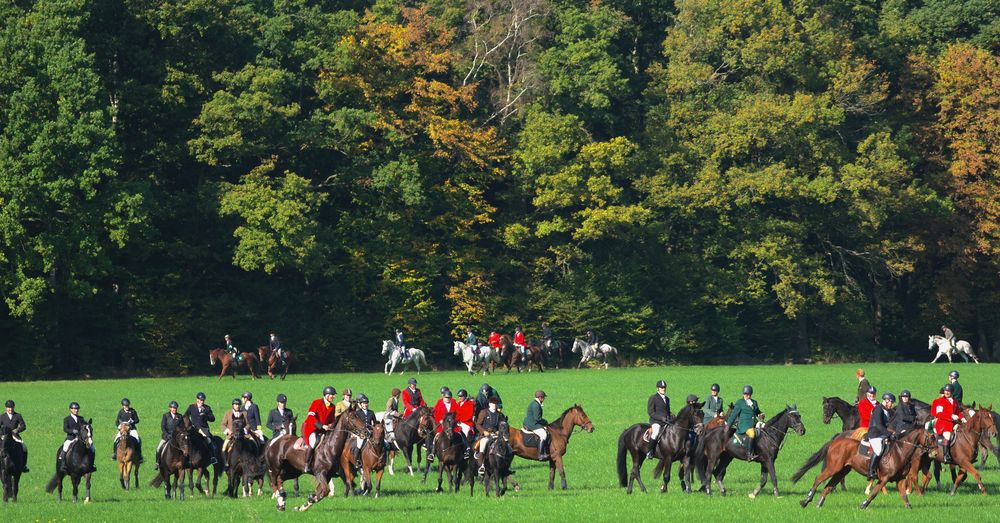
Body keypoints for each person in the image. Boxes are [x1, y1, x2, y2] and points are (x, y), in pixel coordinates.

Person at [302, 386, 338, 473]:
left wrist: (331, 425)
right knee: (313, 442)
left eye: (333, 395)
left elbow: (332, 420)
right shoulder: (316, 402)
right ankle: (306, 464)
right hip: (311, 428)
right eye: (332, 395)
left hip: (323, 429)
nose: (333, 397)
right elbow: (311, 417)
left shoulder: (332, 407)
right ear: (326, 395)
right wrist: (322, 426)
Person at [726, 385, 763, 461]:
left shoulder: (754, 402)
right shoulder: (740, 403)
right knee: (752, 433)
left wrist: (761, 414)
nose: (746, 395)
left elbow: (757, 412)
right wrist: (728, 425)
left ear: (750, 394)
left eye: (747, 394)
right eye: (745, 394)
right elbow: (733, 415)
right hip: (744, 425)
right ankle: (749, 454)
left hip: (753, 423)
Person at [931, 383, 965, 463]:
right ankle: (946, 456)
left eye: (948, 391)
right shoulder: (940, 401)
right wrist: (951, 416)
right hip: (942, 423)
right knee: (948, 435)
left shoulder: (955, 401)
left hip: (952, 423)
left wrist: (962, 418)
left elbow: (958, 412)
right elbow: (939, 414)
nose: (946, 392)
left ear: (952, 392)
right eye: (946, 391)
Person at [59, 402, 96, 473]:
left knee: (93, 448)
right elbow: (65, 429)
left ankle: (91, 465)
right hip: (71, 438)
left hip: (80, 439)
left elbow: (85, 427)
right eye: (74, 409)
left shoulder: (81, 418)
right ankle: (63, 464)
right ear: (71, 409)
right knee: (65, 446)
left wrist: (87, 425)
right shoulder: (67, 419)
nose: (76, 410)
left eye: (77, 409)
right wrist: (72, 431)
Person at [474, 396, 506, 475]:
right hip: (485, 435)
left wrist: (499, 431)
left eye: (495, 404)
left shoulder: (500, 414)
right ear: (489, 404)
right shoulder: (483, 412)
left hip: (495, 435)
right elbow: (478, 424)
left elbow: (502, 425)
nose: (494, 405)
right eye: (492, 403)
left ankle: (505, 464)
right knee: (483, 444)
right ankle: (481, 466)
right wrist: (484, 431)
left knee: (506, 445)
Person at [185, 392, 219, 464]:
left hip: (204, 429)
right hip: (193, 428)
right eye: (200, 400)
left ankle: (212, 457)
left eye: (203, 400)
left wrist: (206, 415)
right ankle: (185, 457)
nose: (202, 402)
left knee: (209, 440)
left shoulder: (207, 408)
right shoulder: (191, 407)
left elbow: (213, 419)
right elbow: (185, 416)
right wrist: (189, 425)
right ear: (197, 399)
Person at [865, 392, 893, 479]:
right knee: (878, 450)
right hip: (875, 434)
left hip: (881, 434)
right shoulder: (878, 409)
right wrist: (889, 434)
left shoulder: (887, 410)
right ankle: (871, 471)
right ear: (887, 401)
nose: (891, 405)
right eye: (891, 402)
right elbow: (879, 425)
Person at [646, 379, 672, 459]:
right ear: (657, 388)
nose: (663, 389)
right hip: (656, 421)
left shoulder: (667, 399)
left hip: (665, 421)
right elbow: (651, 412)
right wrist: (661, 418)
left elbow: (667, 411)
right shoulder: (653, 398)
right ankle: (649, 452)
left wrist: (670, 416)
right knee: (656, 432)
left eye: (664, 387)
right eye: (661, 387)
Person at [154, 401, 182, 471]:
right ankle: (157, 462)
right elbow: (163, 427)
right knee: (159, 448)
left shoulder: (180, 416)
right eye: (173, 408)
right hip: (167, 436)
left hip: (177, 437)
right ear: (170, 408)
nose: (174, 409)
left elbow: (182, 427)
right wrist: (167, 435)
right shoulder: (165, 415)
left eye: (175, 408)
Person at [1, 400, 28, 472]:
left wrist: (16, 430)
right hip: (4, 436)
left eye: (11, 407)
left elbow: (23, 426)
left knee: (24, 447)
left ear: (14, 407)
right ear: (6, 408)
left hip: (14, 436)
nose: (10, 409)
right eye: (8, 408)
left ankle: (24, 465)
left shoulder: (18, 415)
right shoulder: (2, 417)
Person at [112, 398, 142, 462]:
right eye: (125, 406)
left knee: (137, 439)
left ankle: (139, 455)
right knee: (116, 440)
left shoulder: (133, 411)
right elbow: (117, 421)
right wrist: (119, 427)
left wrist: (132, 421)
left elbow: (137, 420)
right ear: (123, 406)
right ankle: (114, 454)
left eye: (128, 405)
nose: (127, 407)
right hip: (123, 429)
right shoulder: (121, 412)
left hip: (131, 429)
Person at [351, 394, 376, 469]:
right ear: (360, 404)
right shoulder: (357, 413)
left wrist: (373, 429)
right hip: (361, 433)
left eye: (366, 403)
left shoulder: (371, 412)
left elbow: (374, 423)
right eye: (363, 403)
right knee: (359, 444)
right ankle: (357, 461)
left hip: (370, 432)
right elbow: (355, 424)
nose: (365, 405)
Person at [523, 390, 549, 460]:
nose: (544, 399)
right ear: (540, 397)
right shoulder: (536, 405)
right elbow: (538, 419)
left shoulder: (534, 403)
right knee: (544, 435)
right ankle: (541, 454)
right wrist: (546, 422)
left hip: (531, 421)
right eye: (543, 398)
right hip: (532, 423)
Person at [455, 389, 475, 458]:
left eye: (461, 396)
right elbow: (456, 414)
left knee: (464, 433)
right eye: (459, 396)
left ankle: (467, 449)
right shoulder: (458, 403)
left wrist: (460, 420)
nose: (459, 398)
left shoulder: (470, 403)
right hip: (458, 422)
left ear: (465, 396)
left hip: (467, 423)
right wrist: (456, 420)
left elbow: (469, 415)